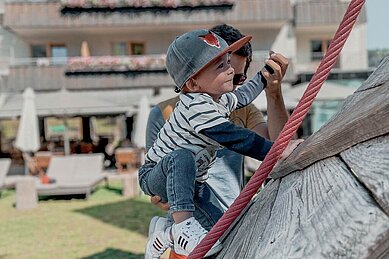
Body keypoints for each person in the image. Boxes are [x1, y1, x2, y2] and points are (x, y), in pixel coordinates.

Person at [140, 28, 302, 258]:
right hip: (160, 179)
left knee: (224, 233)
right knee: (181, 156)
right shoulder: (194, 108)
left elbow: (245, 95)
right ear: (194, 83)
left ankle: (164, 232)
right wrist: (276, 151)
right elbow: (235, 137)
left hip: (200, 187)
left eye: (237, 73)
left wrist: (266, 79)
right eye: (222, 67)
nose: (230, 74)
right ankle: (180, 229)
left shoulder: (220, 100)